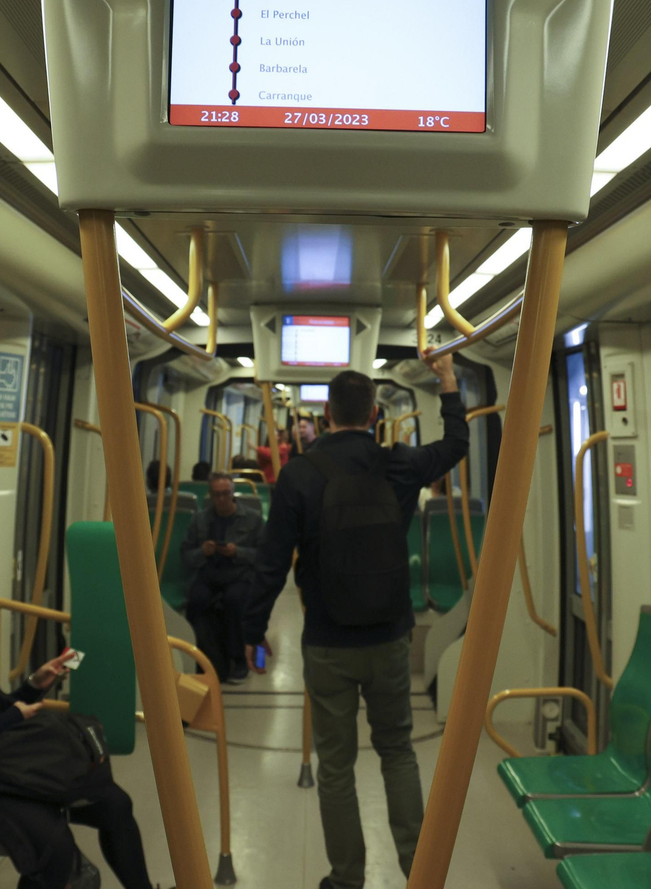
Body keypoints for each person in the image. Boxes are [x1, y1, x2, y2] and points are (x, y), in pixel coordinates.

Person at [241, 356, 467, 889]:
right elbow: (457, 444)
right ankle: (420, 870)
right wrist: (449, 382)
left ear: (326, 416)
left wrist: (252, 636)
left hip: (326, 641)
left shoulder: (298, 474)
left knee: (336, 767)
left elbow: (272, 563)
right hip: (390, 636)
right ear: (372, 415)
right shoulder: (401, 465)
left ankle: (346, 878)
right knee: (398, 751)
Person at [0, 558, 155, 889]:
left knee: (114, 804)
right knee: (54, 845)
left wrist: (34, 686)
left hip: (1, 770)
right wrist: (12, 716)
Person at [180, 473, 265, 683]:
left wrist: (239, 552)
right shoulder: (200, 520)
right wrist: (202, 551)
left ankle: (239, 659)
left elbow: (264, 556)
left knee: (235, 602)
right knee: (196, 602)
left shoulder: (253, 520)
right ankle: (204, 658)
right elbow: (186, 556)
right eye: (217, 495)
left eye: (225, 494)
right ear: (210, 495)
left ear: (232, 493)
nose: (221, 500)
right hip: (209, 575)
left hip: (240, 575)